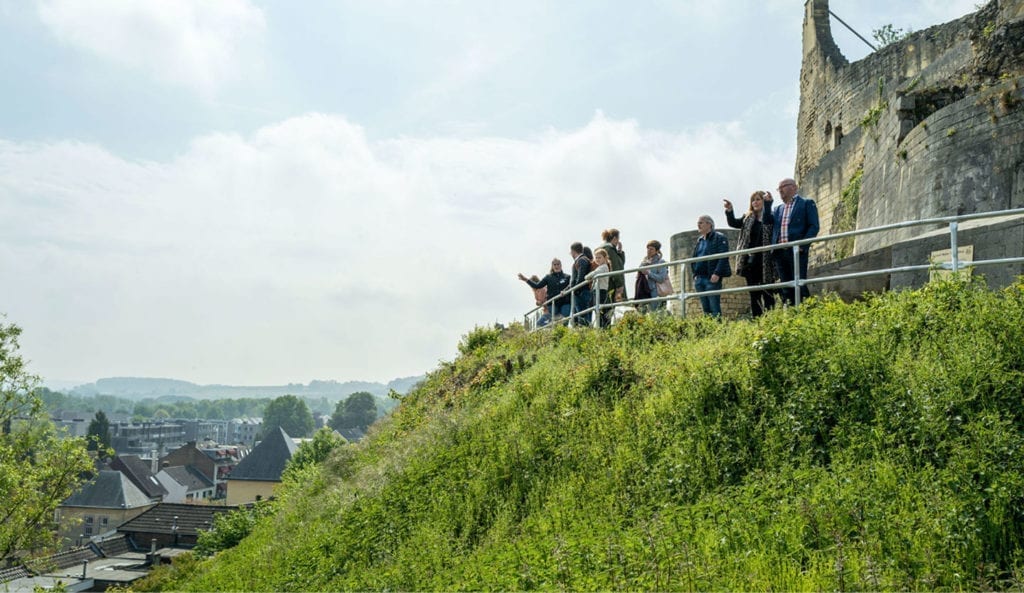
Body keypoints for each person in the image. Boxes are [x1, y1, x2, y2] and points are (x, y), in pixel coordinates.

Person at [725, 190, 778, 318]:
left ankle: (771, 320)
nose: (755, 202)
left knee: (768, 292)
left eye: (758, 199)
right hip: (750, 261)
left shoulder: (771, 216)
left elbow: (771, 226)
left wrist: (769, 203)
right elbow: (734, 223)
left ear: (763, 201)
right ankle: (757, 321)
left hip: (766, 260)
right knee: (754, 294)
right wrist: (729, 211)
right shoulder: (748, 217)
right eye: (753, 200)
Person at [771, 178, 820, 306]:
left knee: (799, 283)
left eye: (783, 186)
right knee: (786, 286)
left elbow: (813, 226)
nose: (780, 190)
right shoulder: (777, 209)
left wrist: (802, 246)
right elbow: (766, 221)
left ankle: (807, 312)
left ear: (794, 187)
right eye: (779, 188)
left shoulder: (806, 203)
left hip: (797, 250)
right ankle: (791, 315)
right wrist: (767, 204)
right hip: (780, 252)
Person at [691, 215, 731, 318]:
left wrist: (717, 273)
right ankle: (709, 331)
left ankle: (717, 331)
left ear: (709, 224)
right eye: (698, 223)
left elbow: (723, 256)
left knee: (714, 308)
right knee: (705, 309)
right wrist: (694, 274)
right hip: (699, 278)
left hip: (711, 278)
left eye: (701, 222)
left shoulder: (719, 237)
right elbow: (694, 258)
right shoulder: (699, 240)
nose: (698, 225)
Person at [518, 259, 571, 325]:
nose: (556, 266)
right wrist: (525, 279)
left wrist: (565, 290)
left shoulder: (567, 277)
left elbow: (571, 285)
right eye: (554, 264)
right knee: (555, 322)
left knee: (565, 321)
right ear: (552, 266)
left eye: (558, 264)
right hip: (553, 304)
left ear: (561, 265)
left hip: (565, 302)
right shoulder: (548, 277)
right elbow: (537, 286)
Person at [637, 240, 669, 311]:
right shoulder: (644, 262)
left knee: (656, 313)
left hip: (656, 292)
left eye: (651, 249)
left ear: (657, 251)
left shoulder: (661, 262)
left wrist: (649, 273)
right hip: (645, 291)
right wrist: (644, 264)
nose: (649, 250)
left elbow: (661, 278)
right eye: (648, 248)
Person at [567, 242, 593, 326]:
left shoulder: (582, 260)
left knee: (583, 316)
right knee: (579, 316)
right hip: (579, 292)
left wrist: (575, 290)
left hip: (581, 292)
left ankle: (586, 334)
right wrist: (567, 290)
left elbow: (580, 277)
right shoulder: (581, 260)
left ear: (573, 251)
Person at [598, 229, 627, 302]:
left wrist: (620, 252)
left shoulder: (608, 250)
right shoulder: (609, 250)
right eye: (618, 239)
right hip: (612, 285)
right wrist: (619, 285)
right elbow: (615, 268)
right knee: (615, 307)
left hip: (607, 284)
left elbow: (620, 264)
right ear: (614, 238)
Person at [586, 248, 612, 327]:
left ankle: (603, 328)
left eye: (599, 257)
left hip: (601, 291)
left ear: (605, 258)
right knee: (598, 310)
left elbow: (595, 273)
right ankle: (601, 327)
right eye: (596, 257)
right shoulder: (601, 266)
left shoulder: (604, 267)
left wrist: (587, 276)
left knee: (601, 311)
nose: (597, 259)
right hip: (597, 291)